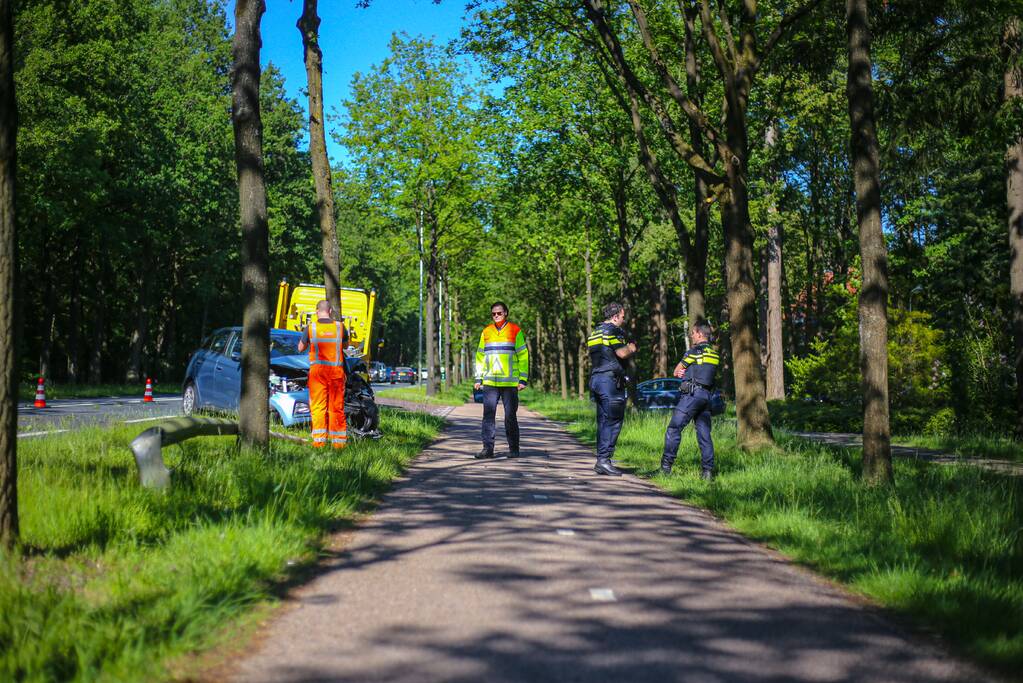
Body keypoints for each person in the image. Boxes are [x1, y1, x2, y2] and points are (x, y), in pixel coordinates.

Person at [660, 322, 720, 480]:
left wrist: (683, 372)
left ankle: (665, 469)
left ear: (700, 334)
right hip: (706, 397)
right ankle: (707, 473)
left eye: (693, 333)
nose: (691, 335)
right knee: (704, 435)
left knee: (674, 429)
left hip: (691, 396)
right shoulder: (714, 354)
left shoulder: (694, 351)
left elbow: (676, 371)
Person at [473, 301, 529, 459]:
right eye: (493, 314)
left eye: (499, 313)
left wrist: (523, 379)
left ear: (506, 313)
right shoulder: (486, 332)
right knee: (488, 416)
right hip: (490, 382)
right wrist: (478, 378)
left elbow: (523, 356)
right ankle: (487, 449)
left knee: (510, 416)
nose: (496, 316)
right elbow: (480, 357)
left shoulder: (515, 331)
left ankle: (514, 449)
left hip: (510, 383)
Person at [588, 302, 637, 476]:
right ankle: (604, 460)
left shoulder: (595, 332)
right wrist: (631, 347)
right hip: (610, 382)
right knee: (614, 421)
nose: (624, 320)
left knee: (603, 421)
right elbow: (622, 353)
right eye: (623, 316)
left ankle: (602, 460)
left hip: (596, 380)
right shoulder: (613, 331)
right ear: (615, 316)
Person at [297, 300, 349, 449]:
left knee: (318, 407)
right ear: (330, 311)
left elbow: (300, 348)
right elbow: (345, 345)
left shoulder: (311, 328)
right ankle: (338, 444)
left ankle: (319, 443)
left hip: (317, 374)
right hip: (336, 373)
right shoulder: (340, 327)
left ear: (316, 311)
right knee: (336, 407)